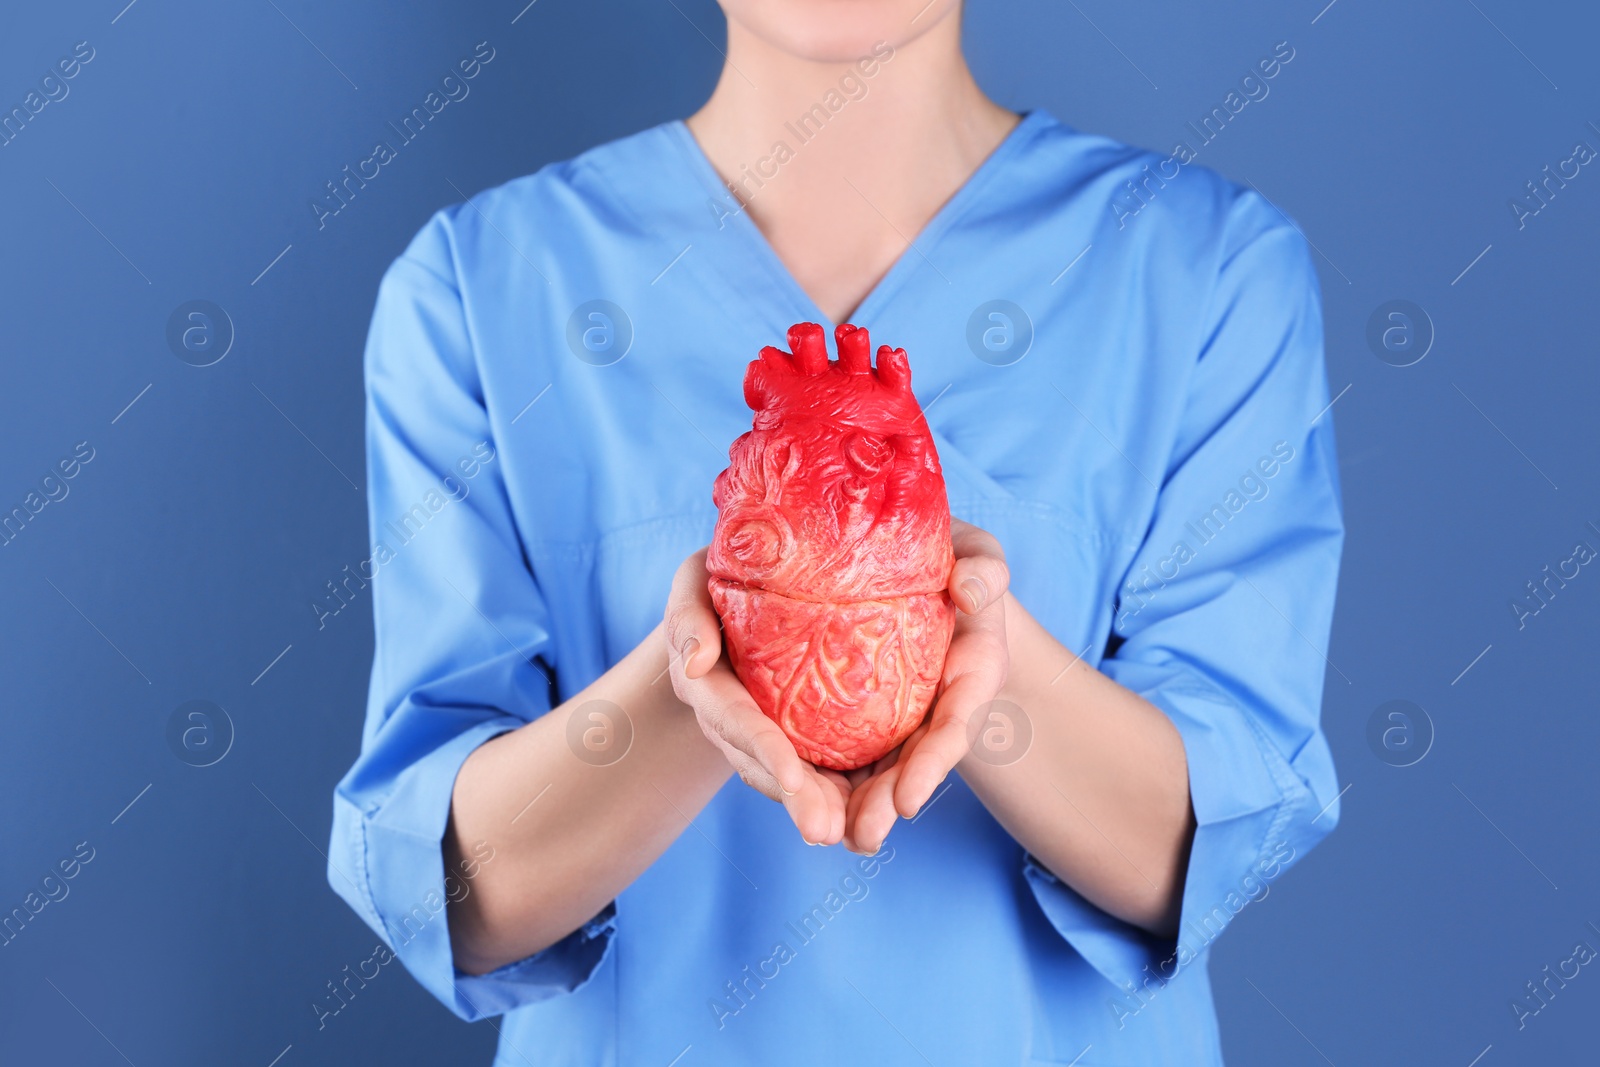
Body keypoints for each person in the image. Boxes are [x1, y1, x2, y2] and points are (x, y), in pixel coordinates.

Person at [328, 0, 1344, 1062]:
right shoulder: (481, 287)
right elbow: (450, 891)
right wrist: (700, 678)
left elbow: (1210, 842)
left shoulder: (1205, 271)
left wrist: (975, 658)